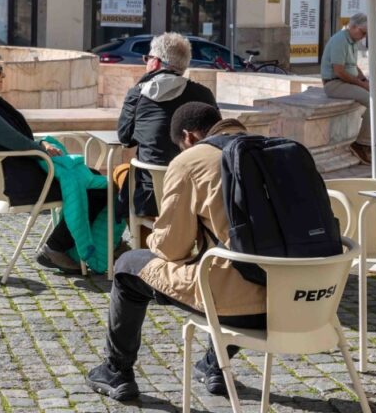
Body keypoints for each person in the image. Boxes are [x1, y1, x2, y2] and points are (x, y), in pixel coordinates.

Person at [87, 103, 265, 402]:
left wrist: (160, 232)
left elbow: (173, 249)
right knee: (235, 262)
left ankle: (116, 370)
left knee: (128, 265)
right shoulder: (273, 151)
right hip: (307, 301)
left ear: (189, 137)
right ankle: (214, 366)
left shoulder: (193, 161)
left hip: (245, 308)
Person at [0, 46, 113, 274]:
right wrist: (41, 145)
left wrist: (40, 145)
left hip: (20, 175)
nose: (3, 74)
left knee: (93, 177)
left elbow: (19, 138)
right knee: (99, 189)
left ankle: (87, 247)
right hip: (18, 185)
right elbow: (18, 141)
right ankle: (58, 248)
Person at [117, 32, 216, 221]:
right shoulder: (204, 94)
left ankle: (133, 244)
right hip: (197, 195)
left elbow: (125, 138)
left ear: (155, 62)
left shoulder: (138, 94)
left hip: (150, 195)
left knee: (120, 174)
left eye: (147, 58)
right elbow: (217, 139)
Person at [320, 12, 376, 165]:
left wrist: (365, 81)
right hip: (334, 84)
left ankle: (373, 142)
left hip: (348, 82)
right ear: (353, 27)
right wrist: (362, 85)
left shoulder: (352, 42)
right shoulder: (340, 40)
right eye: (362, 32)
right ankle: (361, 143)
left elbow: (353, 67)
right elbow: (339, 71)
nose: (363, 36)